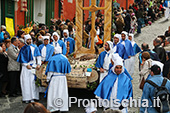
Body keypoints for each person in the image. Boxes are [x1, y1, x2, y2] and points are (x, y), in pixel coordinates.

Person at [17, 34, 41, 103]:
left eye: (30, 39)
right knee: (25, 83)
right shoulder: (23, 49)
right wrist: (26, 65)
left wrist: (38, 64)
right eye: (28, 40)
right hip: (25, 68)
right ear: (25, 40)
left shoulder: (35, 47)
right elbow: (21, 59)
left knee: (33, 83)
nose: (29, 41)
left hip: (33, 67)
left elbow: (38, 57)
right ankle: (27, 98)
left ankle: (34, 97)